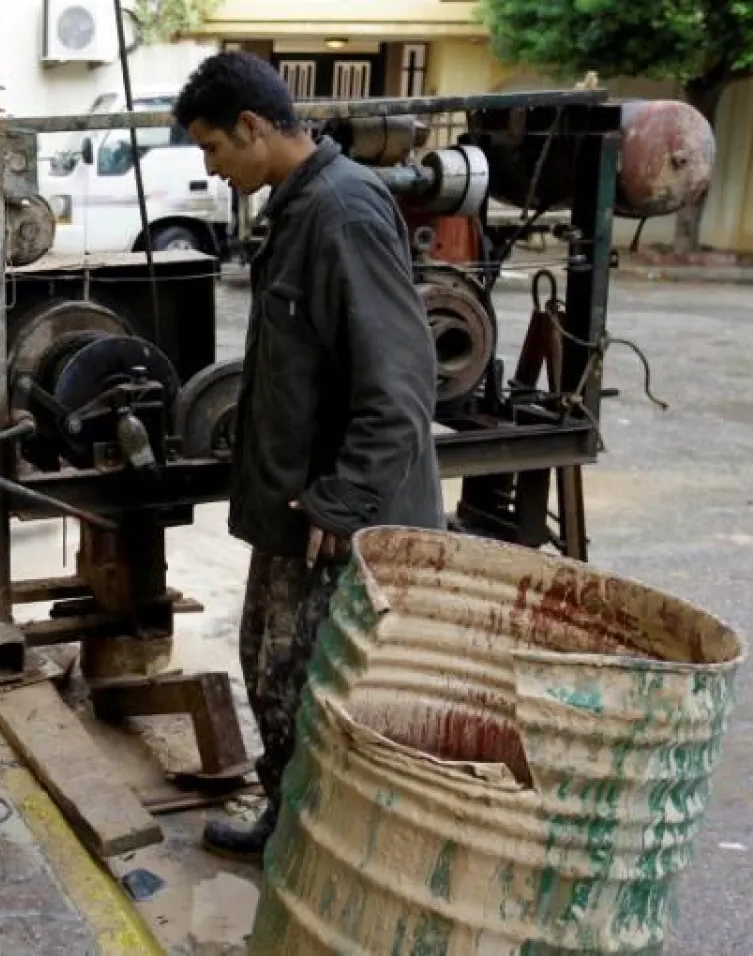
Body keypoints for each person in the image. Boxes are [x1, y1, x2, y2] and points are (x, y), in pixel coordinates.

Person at [173, 51, 445, 861]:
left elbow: (401, 385)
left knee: (319, 689)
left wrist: (343, 497)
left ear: (252, 126)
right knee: (271, 669)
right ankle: (290, 824)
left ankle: (322, 852)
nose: (212, 168)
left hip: (338, 518)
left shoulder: (342, 212)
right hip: (297, 510)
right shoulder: (298, 207)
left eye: (213, 148)